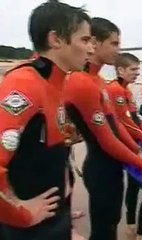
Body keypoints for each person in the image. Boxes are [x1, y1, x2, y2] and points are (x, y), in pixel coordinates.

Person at [0, 1, 92, 239]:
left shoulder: (56, 83)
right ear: (56, 40)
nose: (90, 49)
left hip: (55, 221)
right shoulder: (24, 83)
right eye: (84, 40)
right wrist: (20, 214)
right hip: (29, 231)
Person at [64, 17, 142, 240]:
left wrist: (135, 149)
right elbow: (105, 138)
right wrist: (140, 162)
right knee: (103, 230)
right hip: (100, 167)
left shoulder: (99, 81)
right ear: (94, 43)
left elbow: (116, 125)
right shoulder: (81, 81)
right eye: (114, 44)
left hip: (111, 165)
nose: (119, 50)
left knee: (112, 222)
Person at [105, 53, 142, 239]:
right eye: (133, 69)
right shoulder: (115, 90)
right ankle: (141, 232)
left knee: (134, 186)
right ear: (120, 70)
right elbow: (125, 124)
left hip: (132, 142)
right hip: (124, 145)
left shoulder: (126, 91)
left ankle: (131, 225)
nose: (137, 73)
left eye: (138, 69)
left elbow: (135, 120)